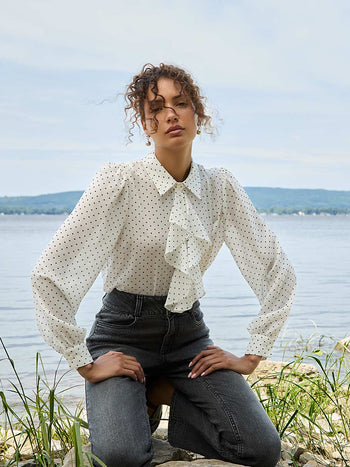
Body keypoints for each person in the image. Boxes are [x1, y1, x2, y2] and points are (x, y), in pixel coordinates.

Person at [30, 62, 297, 467]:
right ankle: (138, 397)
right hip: (124, 335)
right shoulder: (119, 182)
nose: (171, 113)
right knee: (120, 457)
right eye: (157, 107)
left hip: (189, 337)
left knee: (261, 449)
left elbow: (276, 270)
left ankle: (160, 392)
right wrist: (84, 363)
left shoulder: (220, 187)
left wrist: (251, 356)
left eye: (182, 103)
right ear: (145, 123)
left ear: (197, 115)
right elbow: (50, 274)